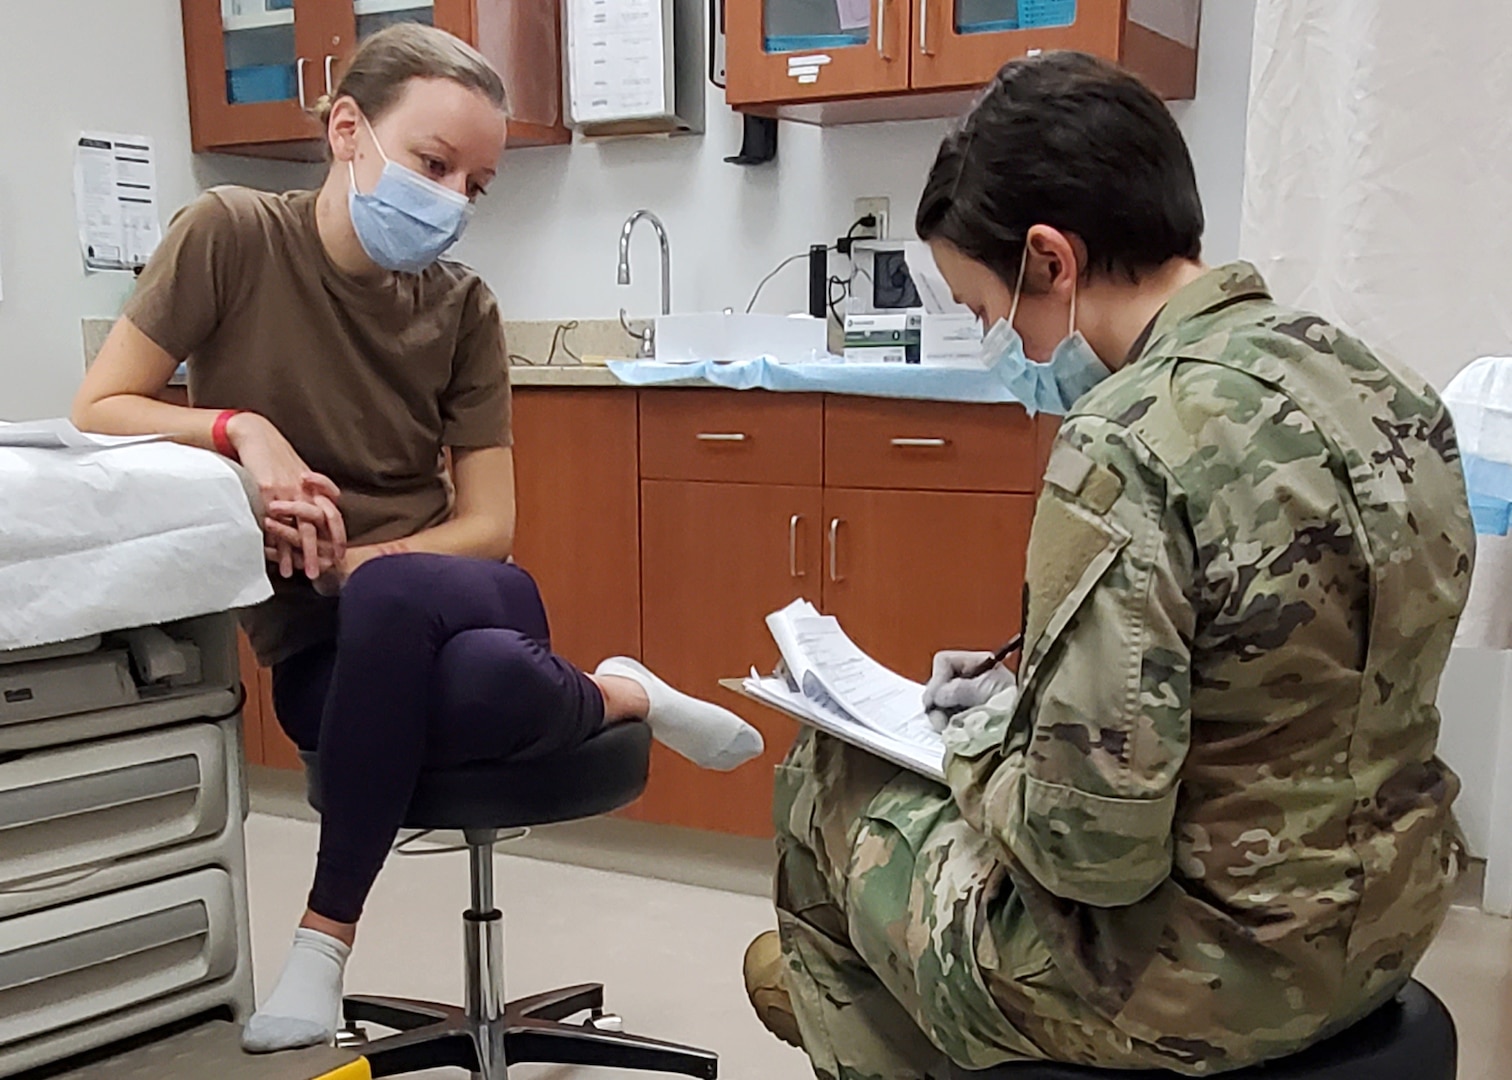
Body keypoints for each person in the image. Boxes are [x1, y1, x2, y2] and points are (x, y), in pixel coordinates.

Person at [742, 52, 1473, 1077]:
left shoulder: (1126, 436)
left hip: (1200, 982)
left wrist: (978, 745)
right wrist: (1025, 690)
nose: (1000, 344)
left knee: (825, 778)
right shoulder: (1383, 384)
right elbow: (1288, 685)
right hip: (1387, 927)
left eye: (987, 310)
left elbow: (1091, 852)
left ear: (1050, 259)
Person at [72, 23, 762, 1055]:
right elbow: (98, 406)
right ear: (348, 129)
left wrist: (351, 563)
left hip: (462, 588)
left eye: (475, 184)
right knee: (491, 685)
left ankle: (324, 940)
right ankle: (624, 692)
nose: (451, 199)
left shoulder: (463, 309)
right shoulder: (230, 236)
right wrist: (239, 430)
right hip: (320, 652)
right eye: (434, 164)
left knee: (394, 596)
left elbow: (488, 526)